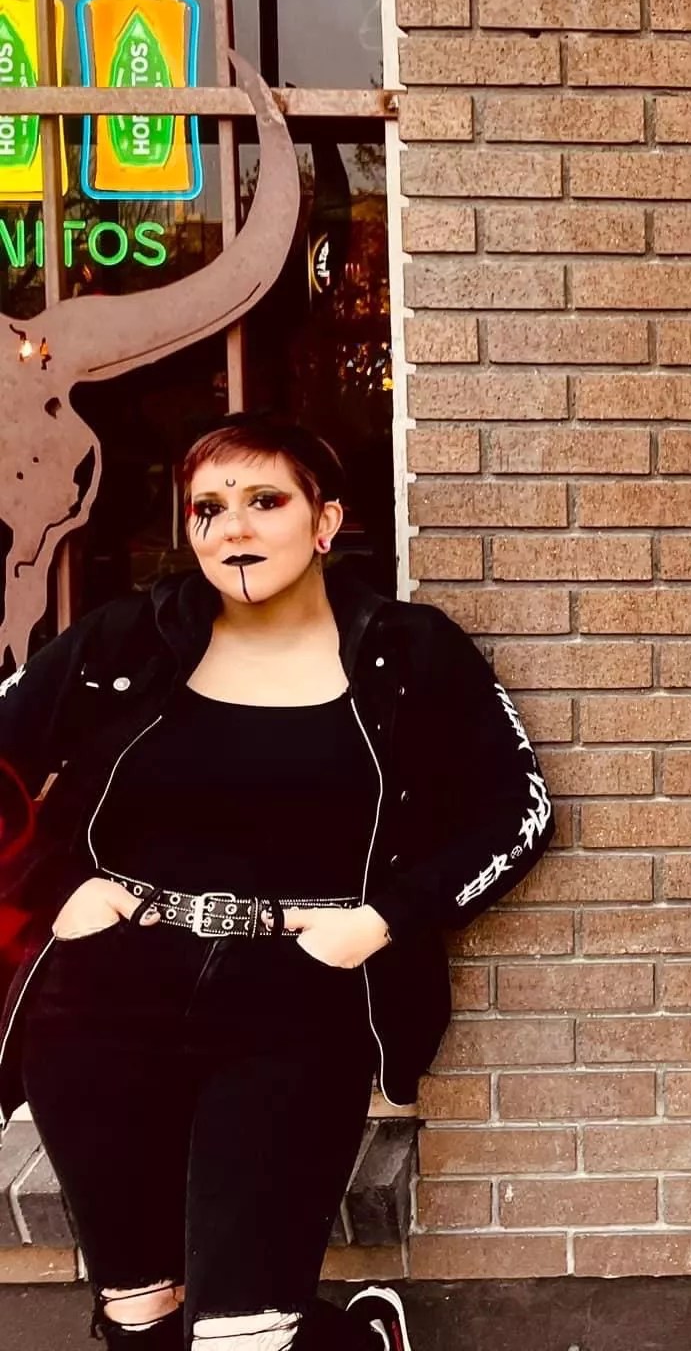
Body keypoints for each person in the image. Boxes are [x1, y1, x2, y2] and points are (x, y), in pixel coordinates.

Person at [0, 414, 555, 1350]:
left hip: (299, 995)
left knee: (243, 1335)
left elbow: (519, 807)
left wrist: (386, 918)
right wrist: (60, 890)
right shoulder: (127, 640)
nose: (234, 530)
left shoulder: (407, 651)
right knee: (141, 1314)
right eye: (208, 510)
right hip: (104, 997)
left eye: (265, 502)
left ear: (325, 521)